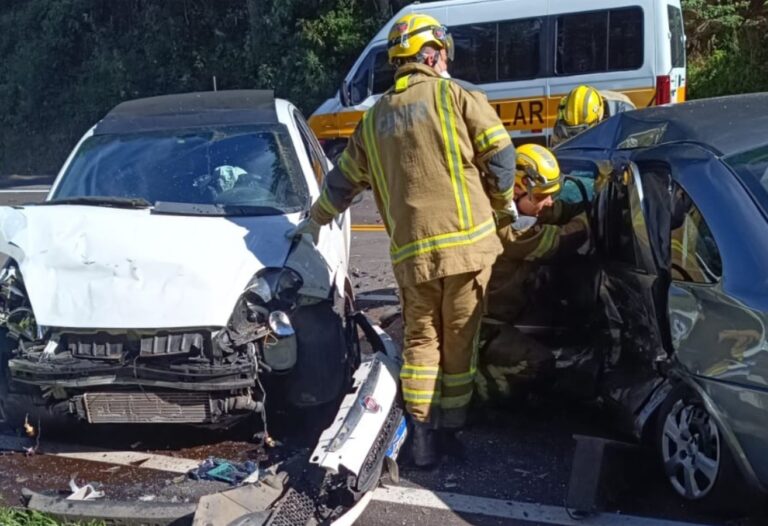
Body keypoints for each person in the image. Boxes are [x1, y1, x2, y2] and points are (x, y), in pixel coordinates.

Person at [289, 13, 518, 467]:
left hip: (414, 262)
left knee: (421, 344)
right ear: (431, 55)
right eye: (442, 55)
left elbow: (341, 184)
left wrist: (314, 221)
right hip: (468, 251)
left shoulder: (372, 122)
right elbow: (503, 155)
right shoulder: (457, 97)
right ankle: (451, 432)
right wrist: (504, 203)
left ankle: (421, 438)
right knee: (459, 344)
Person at [477, 144, 590, 402]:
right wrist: (589, 220)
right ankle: (478, 389)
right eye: (541, 196)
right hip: (484, 326)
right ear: (516, 189)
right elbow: (559, 241)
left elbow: (552, 211)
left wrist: (586, 205)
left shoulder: (515, 206)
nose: (548, 202)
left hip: (503, 314)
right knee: (538, 364)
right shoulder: (506, 226)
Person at [551, 85, 637, 146]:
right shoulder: (564, 117)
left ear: (599, 116)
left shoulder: (623, 111)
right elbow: (558, 150)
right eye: (573, 130)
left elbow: (635, 141)